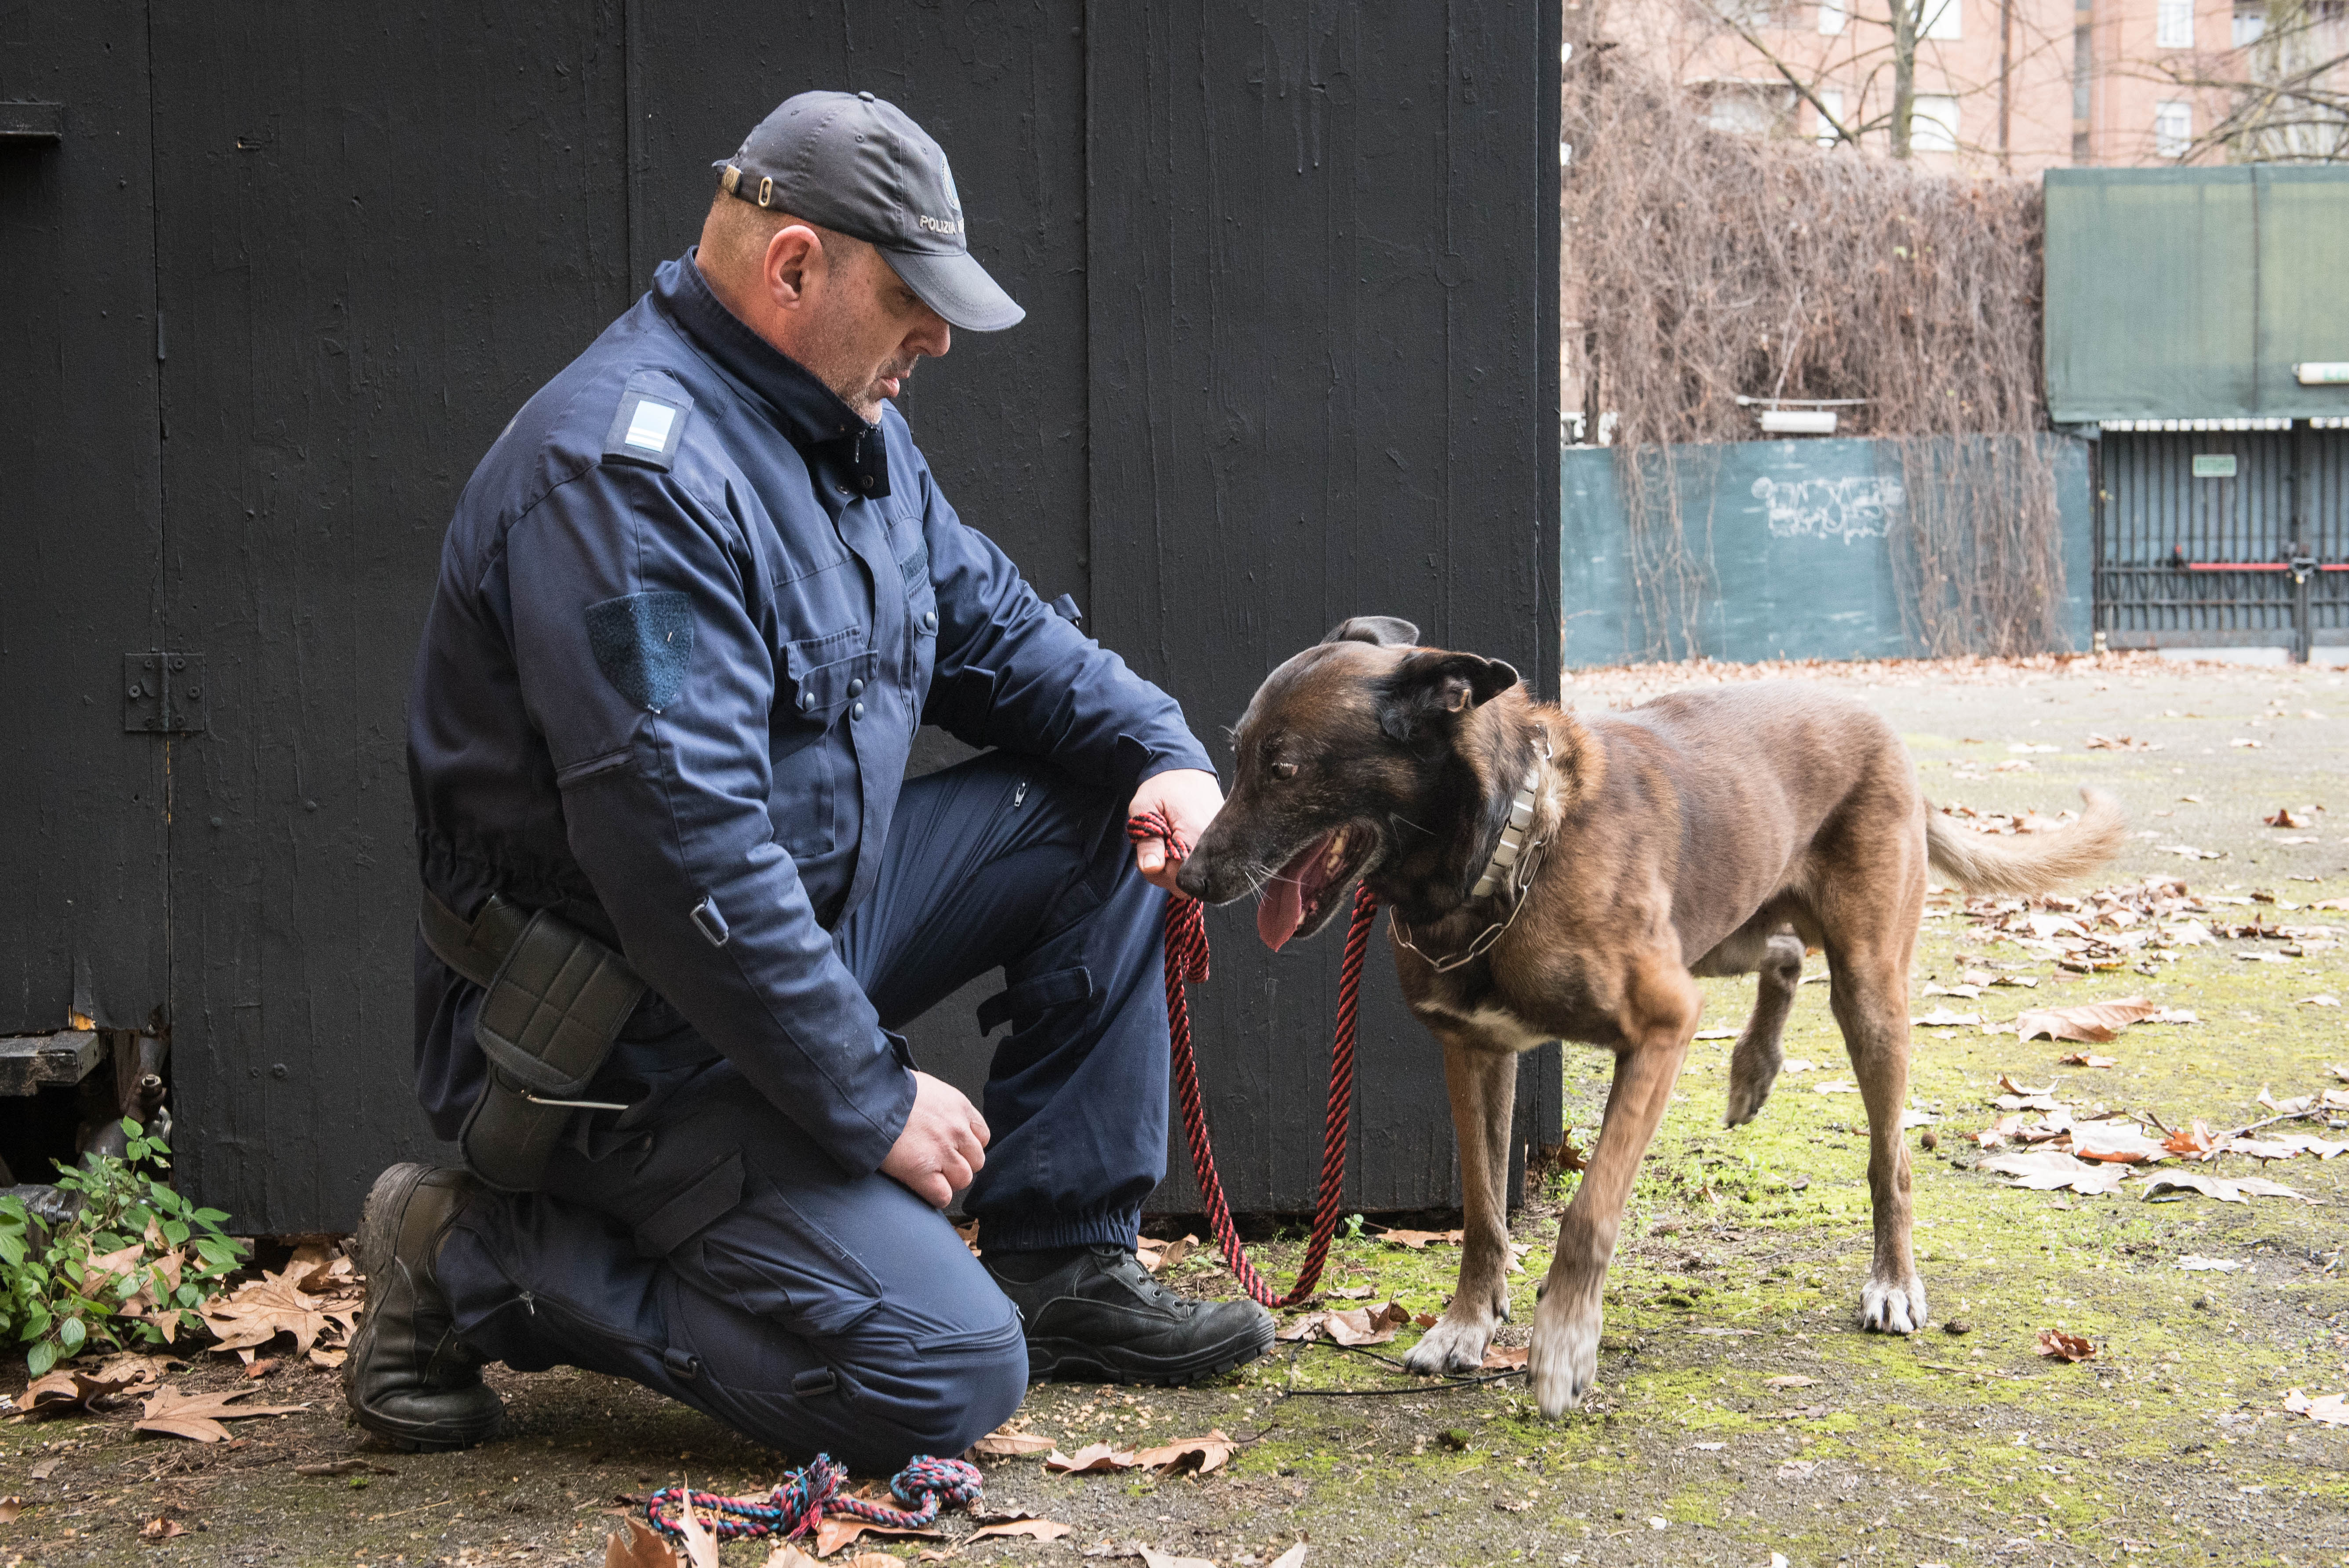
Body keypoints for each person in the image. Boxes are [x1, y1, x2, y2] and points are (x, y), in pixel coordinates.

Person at [347, 90, 1274, 1466]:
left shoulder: (848, 433)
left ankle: (1063, 1266)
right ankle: (473, 1250)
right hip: (626, 1036)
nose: (940, 339)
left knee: (1099, 807)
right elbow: (686, 857)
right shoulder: (626, 480)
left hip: (789, 934)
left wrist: (1169, 757)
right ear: (795, 268)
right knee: (945, 1375)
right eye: (913, 301)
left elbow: (1001, 636)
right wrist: (872, 1099)